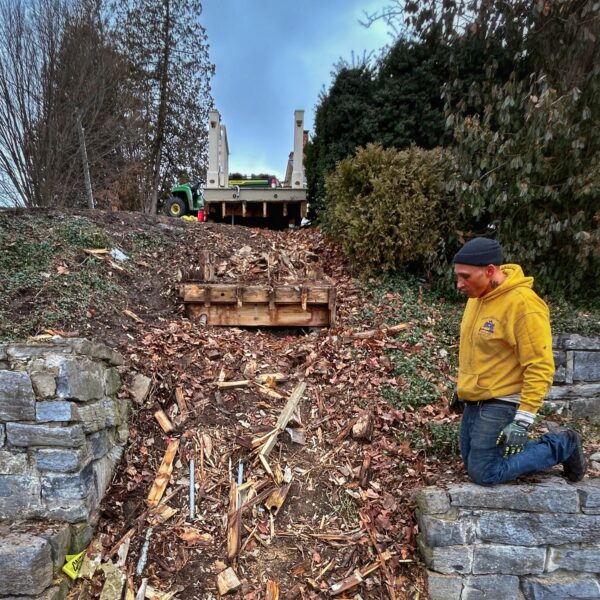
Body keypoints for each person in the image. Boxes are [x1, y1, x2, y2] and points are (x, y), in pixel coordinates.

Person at [453, 237, 586, 485]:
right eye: (457, 276)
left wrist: (523, 420)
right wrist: (462, 386)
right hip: (477, 398)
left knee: (484, 473)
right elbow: (477, 348)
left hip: (503, 399)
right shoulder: (476, 298)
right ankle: (506, 449)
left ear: (490, 270)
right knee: (471, 462)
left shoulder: (523, 304)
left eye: (465, 276)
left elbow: (540, 365)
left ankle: (562, 444)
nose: (459, 284)